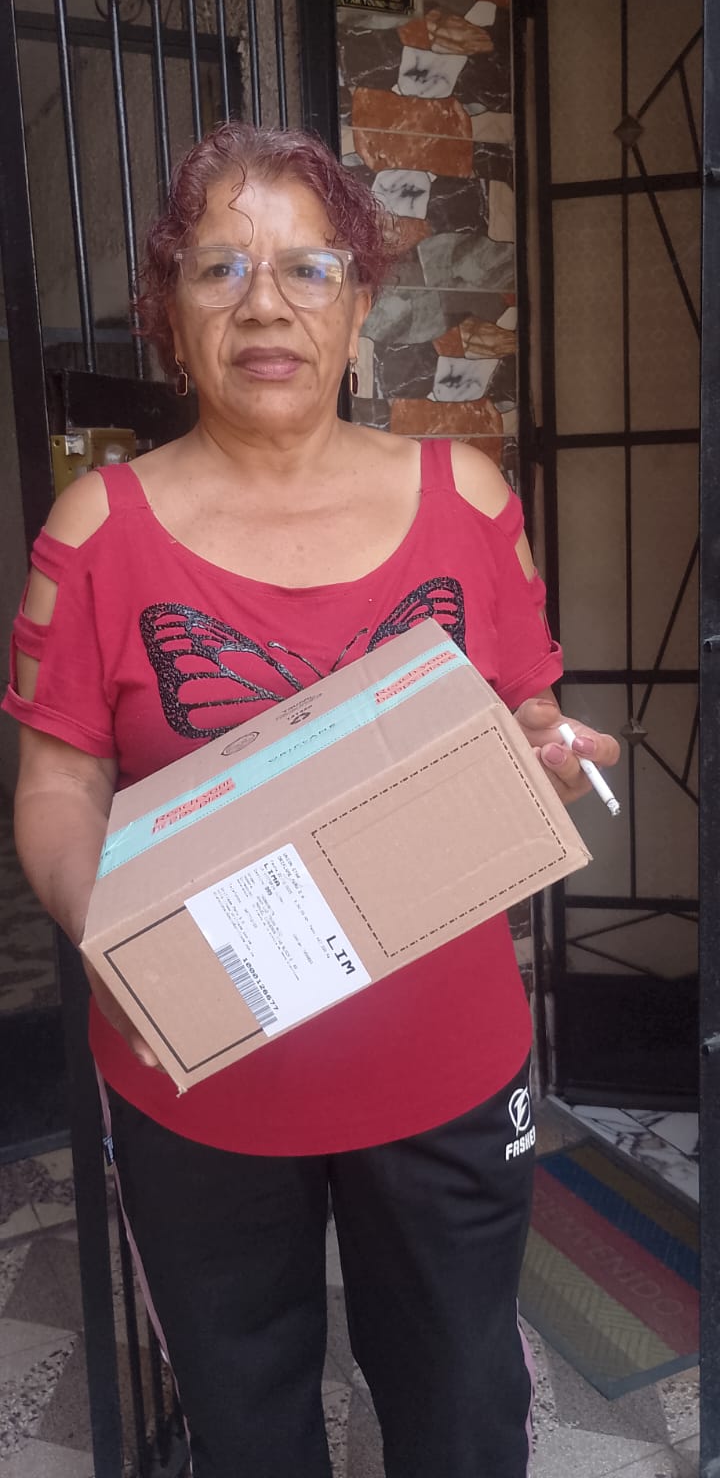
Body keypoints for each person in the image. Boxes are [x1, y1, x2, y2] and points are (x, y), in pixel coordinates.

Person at [3, 120, 619, 1478]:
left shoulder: (466, 497)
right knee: (246, 1420)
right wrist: (114, 939)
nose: (265, 303)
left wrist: (546, 751)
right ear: (169, 312)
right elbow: (56, 780)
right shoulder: (98, 531)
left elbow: (522, 713)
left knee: (464, 1410)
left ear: (356, 304)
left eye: (307, 266)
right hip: (201, 1074)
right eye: (219, 268)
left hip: (444, 1062)